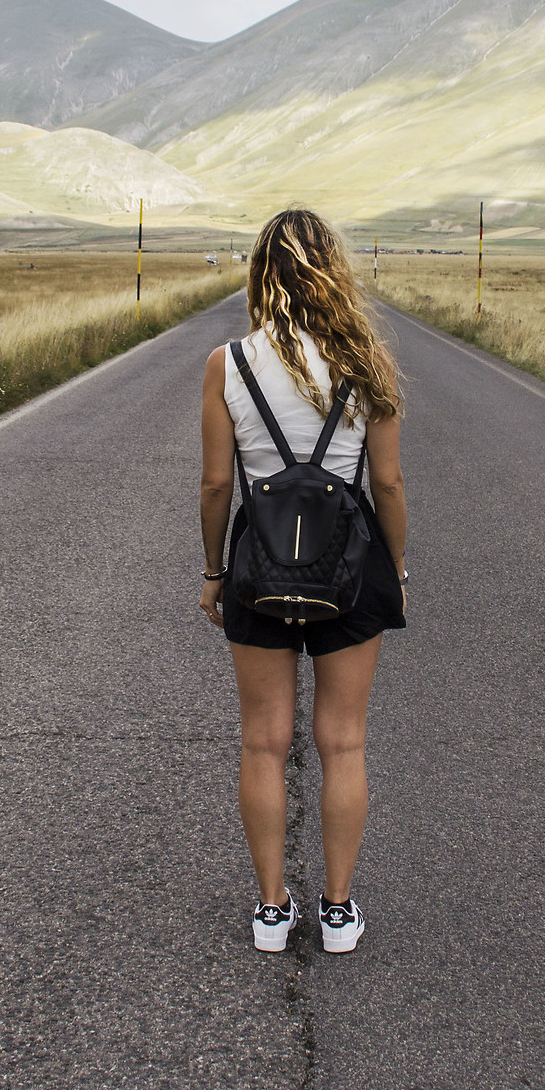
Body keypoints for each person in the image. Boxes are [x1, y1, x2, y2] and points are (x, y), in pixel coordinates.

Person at [198, 209, 408, 954]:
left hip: (258, 566)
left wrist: (215, 573)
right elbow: (388, 484)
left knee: (263, 742)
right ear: (333, 271)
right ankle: (339, 911)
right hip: (350, 566)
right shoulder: (367, 362)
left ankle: (271, 909)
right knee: (343, 744)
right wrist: (396, 571)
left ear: (261, 275)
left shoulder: (228, 363)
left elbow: (216, 485)